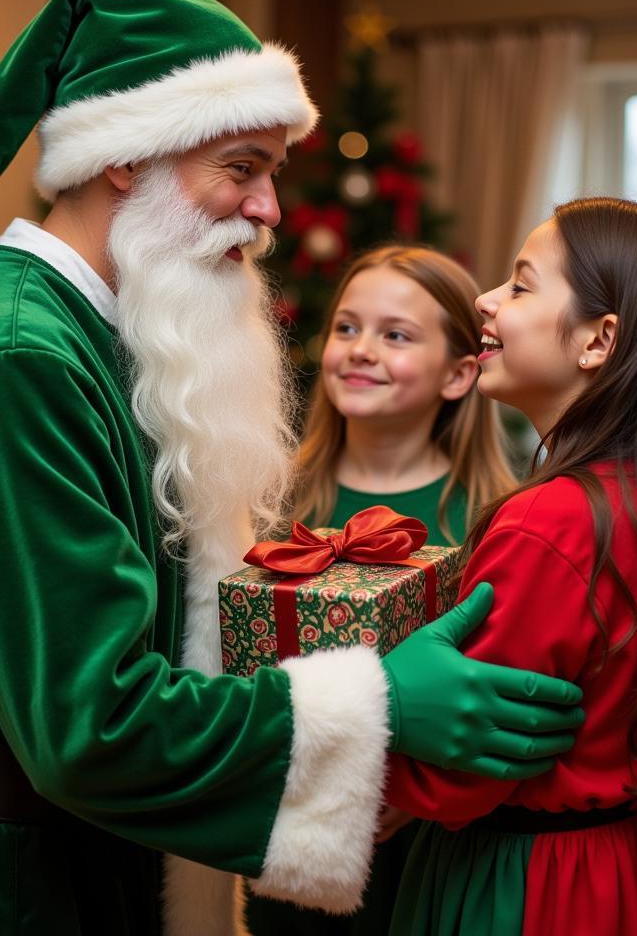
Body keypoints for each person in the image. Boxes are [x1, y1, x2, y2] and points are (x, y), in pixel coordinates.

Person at [0, 0, 585, 936]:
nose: (268, 210)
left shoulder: (97, 338)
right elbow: (92, 722)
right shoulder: (14, 359)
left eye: (274, 174)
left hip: (59, 853)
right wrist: (378, 704)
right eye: (241, 167)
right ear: (125, 157)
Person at [385, 197, 637, 935]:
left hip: (548, 889)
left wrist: (375, 706)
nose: (486, 299)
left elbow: (462, 770)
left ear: (599, 340)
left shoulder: (550, 521)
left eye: (521, 285)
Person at [248, 245, 517, 934]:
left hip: (429, 853)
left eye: (395, 335)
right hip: (278, 841)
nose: (360, 350)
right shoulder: (267, 500)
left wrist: (423, 788)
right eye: (346, 327)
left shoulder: (494, 518)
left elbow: (498, 691)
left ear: (460, 373)